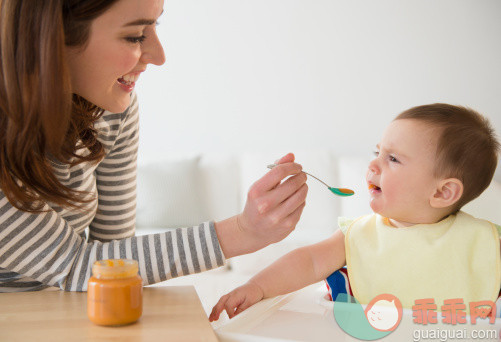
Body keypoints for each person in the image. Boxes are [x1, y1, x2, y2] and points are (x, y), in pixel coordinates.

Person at [0, 0, 308, 292]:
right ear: (50, 37)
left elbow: (114, 259)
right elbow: (74, 265)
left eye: (155, 26)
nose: (159, 55)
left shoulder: (110, 109)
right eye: (134, 36)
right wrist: (242, 231)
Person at [209, 103, 501, 321]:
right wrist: (257, 287)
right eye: (377, 153)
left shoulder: (487, 243)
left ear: (442, 192)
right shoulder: (359, 234)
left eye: (394, 159)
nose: (372, 166)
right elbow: (308, 261)